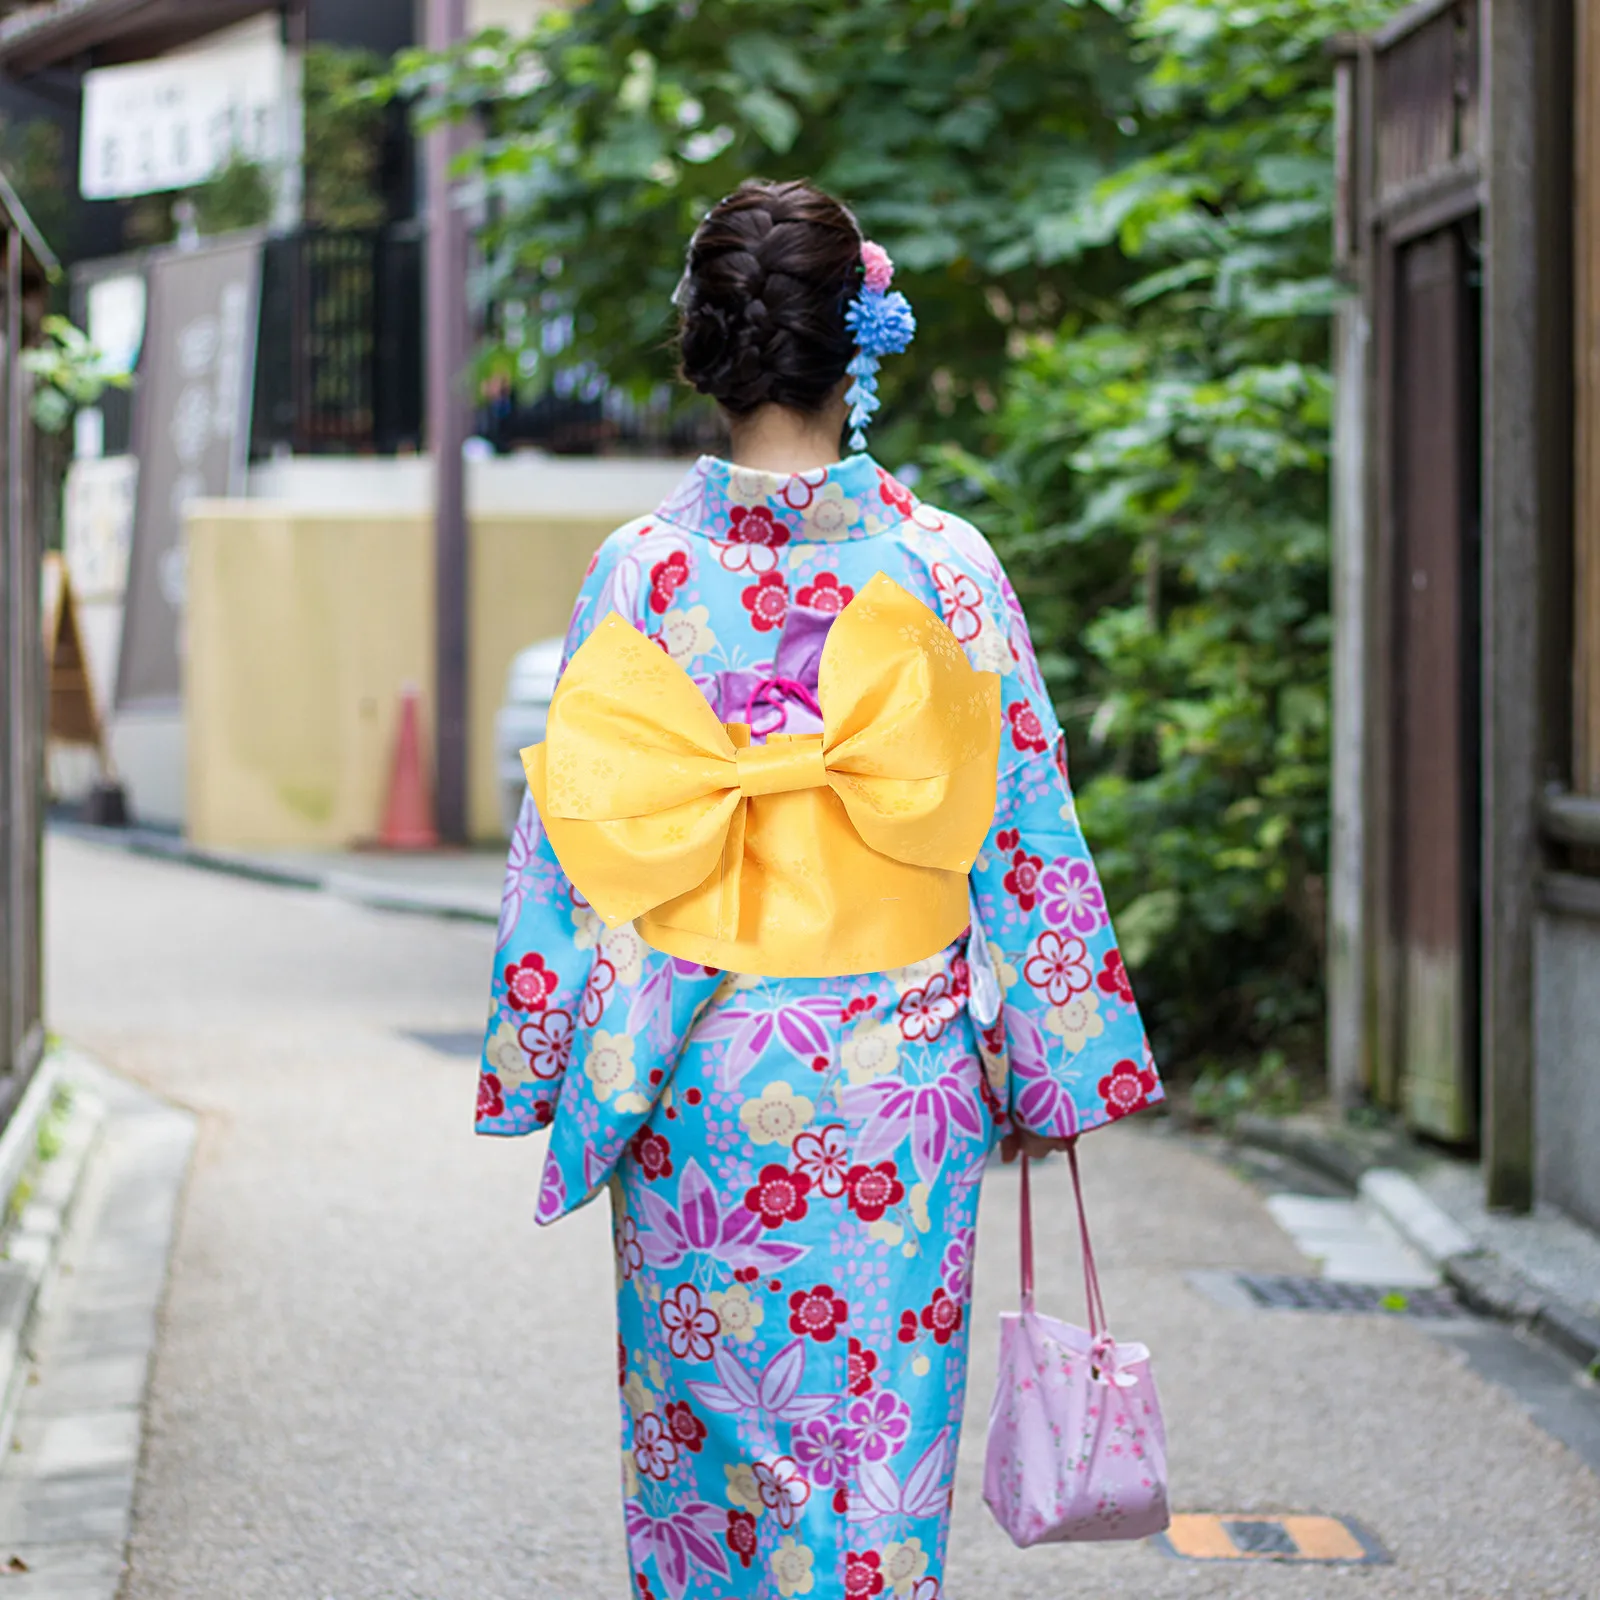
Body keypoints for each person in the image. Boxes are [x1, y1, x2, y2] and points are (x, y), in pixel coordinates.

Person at [476, 179, 1162, 1600]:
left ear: (706, 347)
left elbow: (580, 834)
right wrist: (1051, 1067)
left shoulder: (640, 577)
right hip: (896, 1095)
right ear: (861, 343)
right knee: (867, 1467)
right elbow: (1022, 828)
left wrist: (535, 1055)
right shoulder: (947, 571)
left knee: (707, 1469)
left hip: (699, 1082)